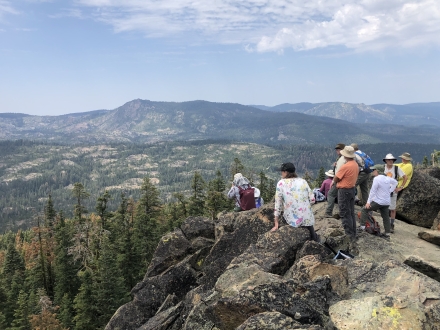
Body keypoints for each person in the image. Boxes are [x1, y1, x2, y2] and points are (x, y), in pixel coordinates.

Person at [270, 162, 319, 242]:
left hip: (292, 220)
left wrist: (276, 223)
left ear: (285, 172)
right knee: (313, 237)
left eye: (282, 171)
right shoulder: (303, 181)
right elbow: (312, 200)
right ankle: (315, 239)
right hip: (307, 218)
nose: (281, 173)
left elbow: (278, 204)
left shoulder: (281, 183)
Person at [332, 146, 359, 254]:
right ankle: (353, 233)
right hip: (352, 189)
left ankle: (349, 236)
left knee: (344, 213)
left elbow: (336, 178)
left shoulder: (345, 166)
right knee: (351, 213)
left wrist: (334, 182)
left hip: (343, 190)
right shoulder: (355, 164)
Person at [360, 165, 398, 238]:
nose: (373, 171)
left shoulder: (377, 179)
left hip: (378, 201)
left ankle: (362, 227)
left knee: (364, 210)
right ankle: (387, 234)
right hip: (386, 202)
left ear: (378, 171)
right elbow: (395, 182)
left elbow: (372, 191)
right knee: (386, 217)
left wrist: (368, 202)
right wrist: (390, 191)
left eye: (374, 170)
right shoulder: (388, 178)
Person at [383, 153, 407, 233]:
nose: (391, 161)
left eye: (392, 160)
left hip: (393, 190)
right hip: (384, 190)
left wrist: (401, 187)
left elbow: (405, 177)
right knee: (385, 207)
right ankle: (387, 224)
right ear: (386, 160)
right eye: (389, 160)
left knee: (392, 208)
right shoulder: (383, 168)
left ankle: (391, 224)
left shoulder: (396, 169)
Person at [325, 143, 346, 217]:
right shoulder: (344, 158)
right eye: (336, 150)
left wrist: (334, 181)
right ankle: (343, 213)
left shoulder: (342, 159)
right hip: (344, 181)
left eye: (338, 149)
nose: (337, 151)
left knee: (330, 194)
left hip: (339, 180)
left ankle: (328, 212)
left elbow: (339, 172)